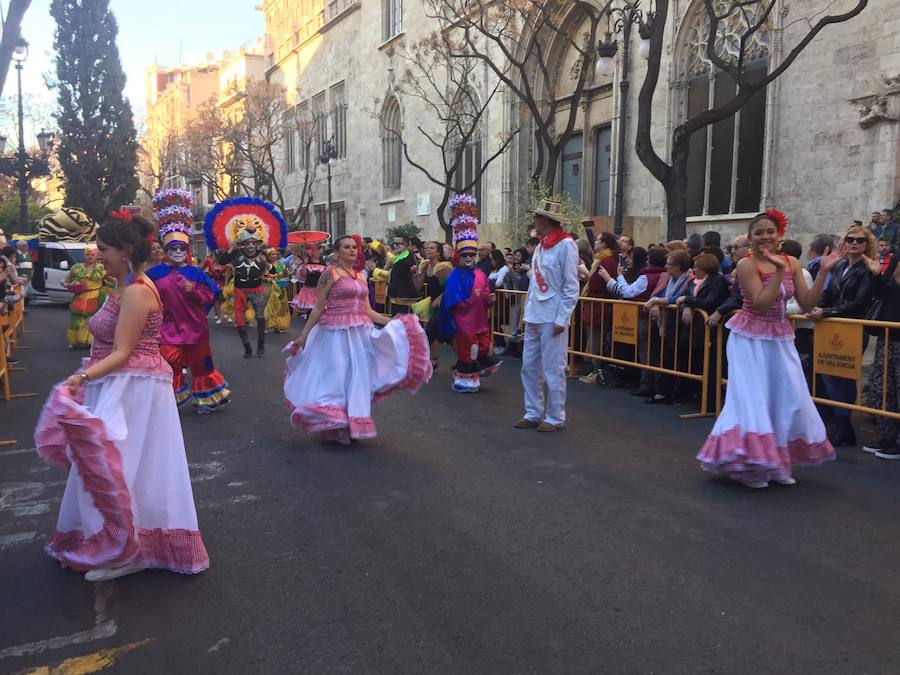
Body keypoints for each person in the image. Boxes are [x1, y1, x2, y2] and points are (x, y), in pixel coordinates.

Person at [34, 210, 209, 581]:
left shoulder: (137, 292)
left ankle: (126, 550)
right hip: (120, 385)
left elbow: (123, 351)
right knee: (112, 467)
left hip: (133, 390)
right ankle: (118, 543)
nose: (97, 254)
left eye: (103, 249)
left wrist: (79, 377)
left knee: (121, 467)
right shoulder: (123, 287)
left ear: (126, 251)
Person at [697, 210, 844, 488]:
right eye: (759, 232)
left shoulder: (791, 261)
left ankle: (775, 461)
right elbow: (762, 302)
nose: (765, 237)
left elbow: (807, 303)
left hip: (780, 337)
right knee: (753, 400)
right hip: (749, 338)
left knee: (787, 398)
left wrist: (824, 271)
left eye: (770, 231)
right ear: (750, 238)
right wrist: (777, 271)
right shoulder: (746, 265)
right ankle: (750, 466)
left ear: (779, 235)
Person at [283, 235, 432, 444]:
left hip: (360, 333)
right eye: (347, 247)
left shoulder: (361, 276)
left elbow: (368, 311)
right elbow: (318, 308)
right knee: (337, 378)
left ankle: (349, 422)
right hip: (333, 333)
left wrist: (390, 321)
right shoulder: (330, 274)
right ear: (337, 252)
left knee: (356, 378)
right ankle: (335, 425)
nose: (352, 250)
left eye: (354, 247)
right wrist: (302, 337)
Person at [147, 189, 231, 414]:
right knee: (168, 366)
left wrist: (192, 291)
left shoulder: (197, 273)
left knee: (201, 367)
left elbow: (211, 296)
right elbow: (144, 296)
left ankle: (206, 399)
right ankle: (170, 402)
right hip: (167, 330)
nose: (177, 251)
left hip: (195, 330)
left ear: (187, 249)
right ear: (166, 249)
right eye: (173, 248)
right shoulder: (154, 273)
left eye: (181, 248)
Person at [806, 225, 876, 446]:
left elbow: (860, 302)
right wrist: (816, 306)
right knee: (828, 375)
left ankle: (846, 427)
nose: (854, 243)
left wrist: (826, 312)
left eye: (860, 240)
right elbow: (829, 293)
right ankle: (841, 424)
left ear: (867, 245)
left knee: (844, 377)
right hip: (832, 327)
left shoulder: (867, 269)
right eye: (850, 239)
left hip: (852, 328)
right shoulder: (840, 266)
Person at [515, 199, 579, 432]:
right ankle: (532, 412)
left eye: (537, 218)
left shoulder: (566, 245)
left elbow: (571, 287)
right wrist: (527, 313)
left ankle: (554, 416)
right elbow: (534, 284)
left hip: (553, 316)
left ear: (545, 220)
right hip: (535, 315)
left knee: (553, 369)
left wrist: (562, 319)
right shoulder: (541, 246)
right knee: (529, 366)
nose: (535, 222)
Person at [439, 195, 500, 393]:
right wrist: (471, 299)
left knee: (483, 348)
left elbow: (484, 294)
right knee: (468, 351)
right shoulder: (456, 275)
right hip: (464, 323)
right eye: (465, 255)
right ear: (459, 256)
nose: (468, 258)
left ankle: (476, 373)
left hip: (479, 321)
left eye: (472, 255)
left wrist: (489, 300)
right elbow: (452, 299)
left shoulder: (480, 273)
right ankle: (466, 379)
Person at [862, 252, 900, 458]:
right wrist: (876, 275)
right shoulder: (896, 259)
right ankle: (888, 437)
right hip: (888, 335)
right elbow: (883, 295)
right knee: (884, 389)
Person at [579, 232, 619, 385]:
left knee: (596, 340)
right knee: (594, 339)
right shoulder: (600, 259)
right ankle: (595, 370)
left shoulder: (606, 260)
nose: (595, 242)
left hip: (599, 304)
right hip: (595, 303)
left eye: (598, 240)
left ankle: (597, 372)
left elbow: (596, 283)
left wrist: (585, 272)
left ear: (604, 244)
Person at [412, 240, 452, 370]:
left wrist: (441, 297)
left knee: (429, 331)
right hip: (432, 302)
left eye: (432, 248)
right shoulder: (425, 265)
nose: (428, 250)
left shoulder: (443, 267)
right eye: (426, 248)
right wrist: (415, 274)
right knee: (440, 334)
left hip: (444, 302)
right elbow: (417, 287)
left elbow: (450, 287)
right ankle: (433, 360)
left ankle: (422, 361)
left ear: (439, 252)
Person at [61, 247, 106, 349]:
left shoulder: (101, 268)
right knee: (76, 319)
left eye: (92, 255)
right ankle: (75, 341)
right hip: (80, 296)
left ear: (97, 256)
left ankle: (90, 341)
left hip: (96, 296)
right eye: (87, 255)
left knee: (92, 319)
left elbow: (112, 280)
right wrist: (65, 283)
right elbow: (64, 278)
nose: (89, 257)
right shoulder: (77, 267)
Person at [290, 244, 326, 317]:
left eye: (318, 251)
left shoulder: (322, 262)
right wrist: (305, 265)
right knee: (311, 310)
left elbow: (325, 276)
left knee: (321, 311)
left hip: (320, 290)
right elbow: (303, 276)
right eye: (315, 251)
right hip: (309, 289)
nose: (318, 252)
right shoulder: (306, 262)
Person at [264, 248, 291, 333]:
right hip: (269, 288)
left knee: (280, 306)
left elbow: (283, 274)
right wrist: (269, 279)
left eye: (276, 254)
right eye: (272, 254)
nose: (275, 256)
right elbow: (262, 276)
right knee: (269, 306)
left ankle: (278, 325)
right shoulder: (266, 265)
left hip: (280, 287)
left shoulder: (280, 264)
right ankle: (267, 325)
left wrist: (287, 275)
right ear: (268, 256)